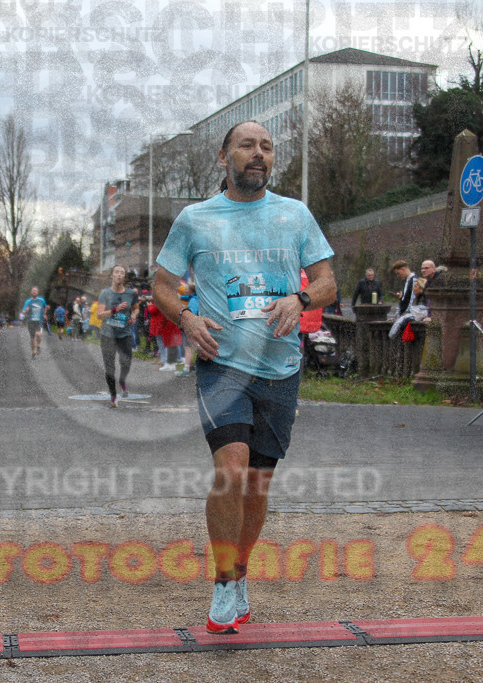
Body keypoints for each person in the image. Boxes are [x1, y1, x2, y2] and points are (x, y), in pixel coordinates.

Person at [153, 120, 336, 634]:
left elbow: (327, 282)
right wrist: (185, 318)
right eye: (247, 146)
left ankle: (239, 573)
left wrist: (298, 298)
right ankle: (220, 582)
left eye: (267, 147)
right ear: (224, 156)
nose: (258, 154)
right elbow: (162, 284)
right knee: (231, 469)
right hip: (223, 364)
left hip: (280, 368)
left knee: (256, 483)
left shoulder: (295, 215)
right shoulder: (195, 219)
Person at [97, 265, 140, 408]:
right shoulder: (105, 293)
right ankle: (113, 395)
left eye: (122, 273)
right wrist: (115, 310)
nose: (119, 275)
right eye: (117, 272)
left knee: (126, 363)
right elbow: (99, 315)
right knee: (109, 367)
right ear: (112, 276)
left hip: (124, 334)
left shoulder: (131, 293)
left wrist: (134, 315)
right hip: (108, 335)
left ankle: (122, 380)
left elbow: (136, 308)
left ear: (124, 277)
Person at [20, 286, 48, 358]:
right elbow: (23, 311)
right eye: (33, 290)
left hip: (39, 321)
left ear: (37, 292)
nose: (34, 291)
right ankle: (33, 352)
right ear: (31, 292)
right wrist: (25, 311)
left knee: (38, 334)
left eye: (35, 290)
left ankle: (38, 346)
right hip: (31, 321)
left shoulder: (41, 300)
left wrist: (44, 314)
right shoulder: (28, 301)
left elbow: (46, 307)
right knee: (32, 338)